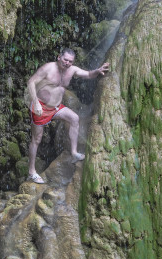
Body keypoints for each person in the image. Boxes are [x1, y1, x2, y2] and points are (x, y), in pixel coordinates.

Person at [25, 48, 110, 184]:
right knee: (36, 139)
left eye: (70, 61)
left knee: (74, 118)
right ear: (59, 57)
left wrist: (98, 71)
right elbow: (31, 82)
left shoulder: (72, 70)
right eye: (65, 60)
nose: (67, 63)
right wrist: (35, 102)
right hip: (40, 107)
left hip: (56, 107)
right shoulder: (48, 68)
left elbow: (88, 74)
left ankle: (74, 153)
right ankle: (31, 172)